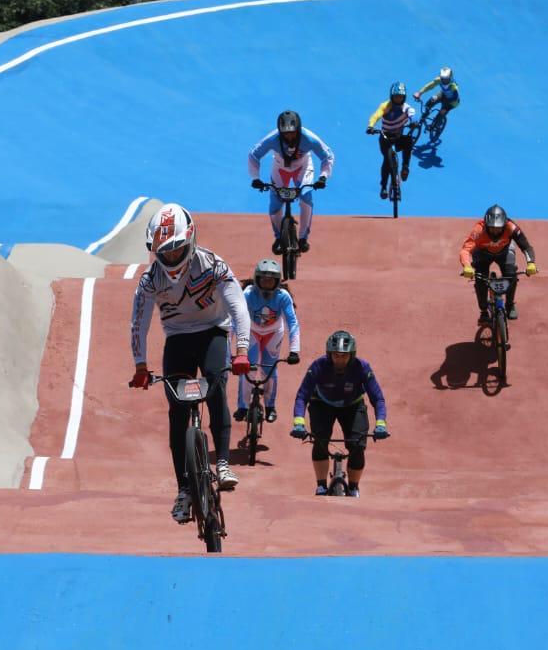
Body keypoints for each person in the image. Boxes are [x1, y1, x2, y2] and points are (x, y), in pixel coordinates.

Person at [129, 202, 253, 524]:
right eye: (163, 252)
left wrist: (241, 350)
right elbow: (138, 323)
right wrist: (140, 366)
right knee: (177, 409)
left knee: (216, 386)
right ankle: (184, 488)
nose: (170, 258)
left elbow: (238, 307)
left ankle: (223, 462)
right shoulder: (150, 280)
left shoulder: (213, 265)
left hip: (212, 332)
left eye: (176, 250)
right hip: (178, 339)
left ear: (191, 240)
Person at [289, 330, 389, 498]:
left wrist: (381, 423)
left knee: (357, 446)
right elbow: (302, 396)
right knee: (320, 440)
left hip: (352, 405)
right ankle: (321, 486)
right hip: (322, 403)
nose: (340, 360)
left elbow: (377, 398)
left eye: (344, 356)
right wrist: (298, 422)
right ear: (329, 355)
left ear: (352, 355)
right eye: (336, 355)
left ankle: (353, 487)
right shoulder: (318, 366)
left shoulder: (362, 368)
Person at [248, 110, 335, 255]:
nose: (289, 136)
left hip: (303, 167)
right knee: (275, 202)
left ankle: (303, 238)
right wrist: (255, 178)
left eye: (292, 132)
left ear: (299, 129)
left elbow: (328, 156)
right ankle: (278, 237)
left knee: (306, 196)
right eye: (285, 133)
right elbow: (253, 154)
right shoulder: (272, 138)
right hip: (280, 167)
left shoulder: (310, 138)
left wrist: (323, 177)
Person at [235, 259, 301, 425]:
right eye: (263, 279)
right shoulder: (248, 294)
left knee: (269, 370)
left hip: (274, 333)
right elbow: (235, 321)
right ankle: (242, 406)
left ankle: (270, 406)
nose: (266, 284)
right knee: (247, 369)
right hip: (251, 331)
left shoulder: (283, 297)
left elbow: (292, 323)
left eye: (270, 280)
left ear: (277, 281)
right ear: (256, 279)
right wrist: (228, 349)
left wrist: (294, 351)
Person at [460, 204, 538, 324]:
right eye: (492, 228)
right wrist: (467, 266)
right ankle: (484, 311)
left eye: (498, 228)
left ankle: (510, 304)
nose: (495, 230)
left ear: (504, 224)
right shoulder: (478, 230)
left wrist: (531, 263)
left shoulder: (511, 227)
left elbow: (526, 247)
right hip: (482, 253)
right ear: (486, 224)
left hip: (505, 252)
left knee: (511, 275)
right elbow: (465, 250)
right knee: (480, 278)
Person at [365, 82, 418, 200]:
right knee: (387, 161)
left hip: (398, 137)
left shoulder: (407, 108)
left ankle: (405, 168)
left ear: (404, 97)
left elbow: (413, 115)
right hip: (385, 137)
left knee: (408, 140)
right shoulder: (385, 105)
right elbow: (376, 115)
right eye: (395, 96)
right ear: (391, 96)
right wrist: (371, 126)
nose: (398, 99)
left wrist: (414, 122)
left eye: (400, 96)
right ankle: (383, 187)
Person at [413, 66, 460, 132]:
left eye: (446, 79)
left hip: (452, 102)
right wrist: (419, 93)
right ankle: (426, 113)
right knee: (432, 100)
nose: (443, 80)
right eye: (442, 78)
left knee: (441, 113)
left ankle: (437, 125)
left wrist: (445, 109)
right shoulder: (439, 80)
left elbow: (455, 98)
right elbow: (429, 86)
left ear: (450, 78)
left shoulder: (453, 86)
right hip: (443, 94)